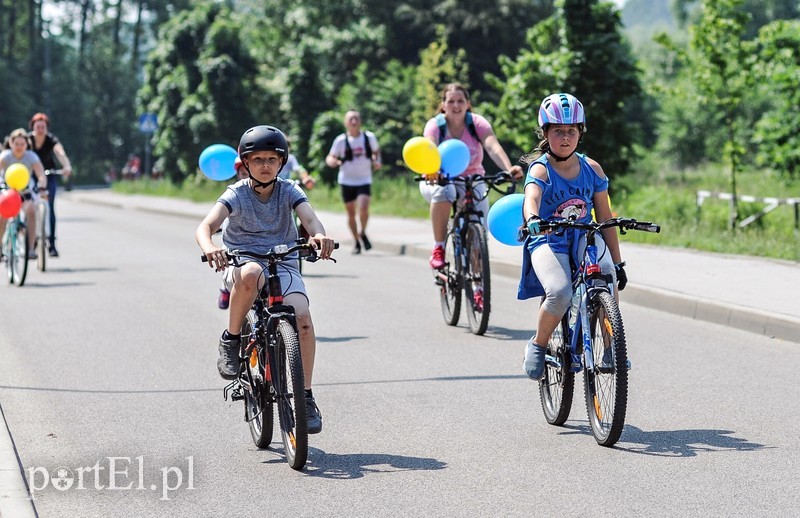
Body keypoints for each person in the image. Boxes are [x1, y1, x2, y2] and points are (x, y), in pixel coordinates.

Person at [196, 125, 335, 434]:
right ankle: (231, 340)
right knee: (252, 273)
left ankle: (307, 396)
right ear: (245, 163)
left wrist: (320, 235)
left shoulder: (289, 190)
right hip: (242, 262)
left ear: (281, 162)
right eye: (257, 159)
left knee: (303, 319)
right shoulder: (237, 193)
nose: (264, 165)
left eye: (272, 159)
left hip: (283, 260)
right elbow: (206, 226)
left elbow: (309, 218)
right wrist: (210, 248)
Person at [517, 93, 627, 381]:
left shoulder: (592, 168)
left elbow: (605, 219)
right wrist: (532, 220)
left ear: (580, 132)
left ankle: (609, 346)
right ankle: (539, 344)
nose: (565, 137)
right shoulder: (541, 168)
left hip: (583, 236)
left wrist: (618, 264)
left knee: (605, 276)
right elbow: (531, 199)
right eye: (558, 131)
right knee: (560, 293)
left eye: (571, 131)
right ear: (545, 133)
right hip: (548, 238)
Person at [421, 83, 524, 270]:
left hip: (472, 178)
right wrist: (432, 169)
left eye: (460, 100)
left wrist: (508, 169)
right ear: (443, 105)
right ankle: (439, 247)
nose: (456, 105)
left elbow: (492, 146)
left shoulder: (477, 123)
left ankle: (477, 287)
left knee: (479, 233)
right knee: (445, 192)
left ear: (468, 104)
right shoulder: (435, 126)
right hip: (438, 177)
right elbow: (430, 149)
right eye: (451, 101)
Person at [325, 110, 381, 254]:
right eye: (351, 119)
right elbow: (330, 157)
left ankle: (362, 232)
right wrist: (333, 162)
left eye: (356, 119)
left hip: (364, 179)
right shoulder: (341, 141)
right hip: (346, 181)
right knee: (351, 213)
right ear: (346, 123)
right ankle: (356, 240)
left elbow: (376, 152)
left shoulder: (369, 137)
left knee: (363, 208)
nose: (354, 122)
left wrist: (376, 161)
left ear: (360, 121)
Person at [27, 112, 74, 257]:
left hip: (48, 174)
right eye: (38, 126)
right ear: (33, 127)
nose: (40, 129)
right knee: (30, 206)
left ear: (46, 128)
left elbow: (59, 152)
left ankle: (52, 243)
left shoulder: (51, 140)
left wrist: (66, 165)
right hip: (31, 176)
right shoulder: (27, 141)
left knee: (50, 207)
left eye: (43, 126)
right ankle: (31, 240)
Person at [0, 128, 48, 259]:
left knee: (31, 211)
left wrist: (42, 186)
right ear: (11, 143)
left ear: (27, 145)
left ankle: (31, 249)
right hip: (7, 191)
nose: (19, 147)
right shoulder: (5, 156)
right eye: (17, 144)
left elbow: (41, 175)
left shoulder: (31, 157)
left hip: (25, 190)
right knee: (2, 215)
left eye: (22, 144)